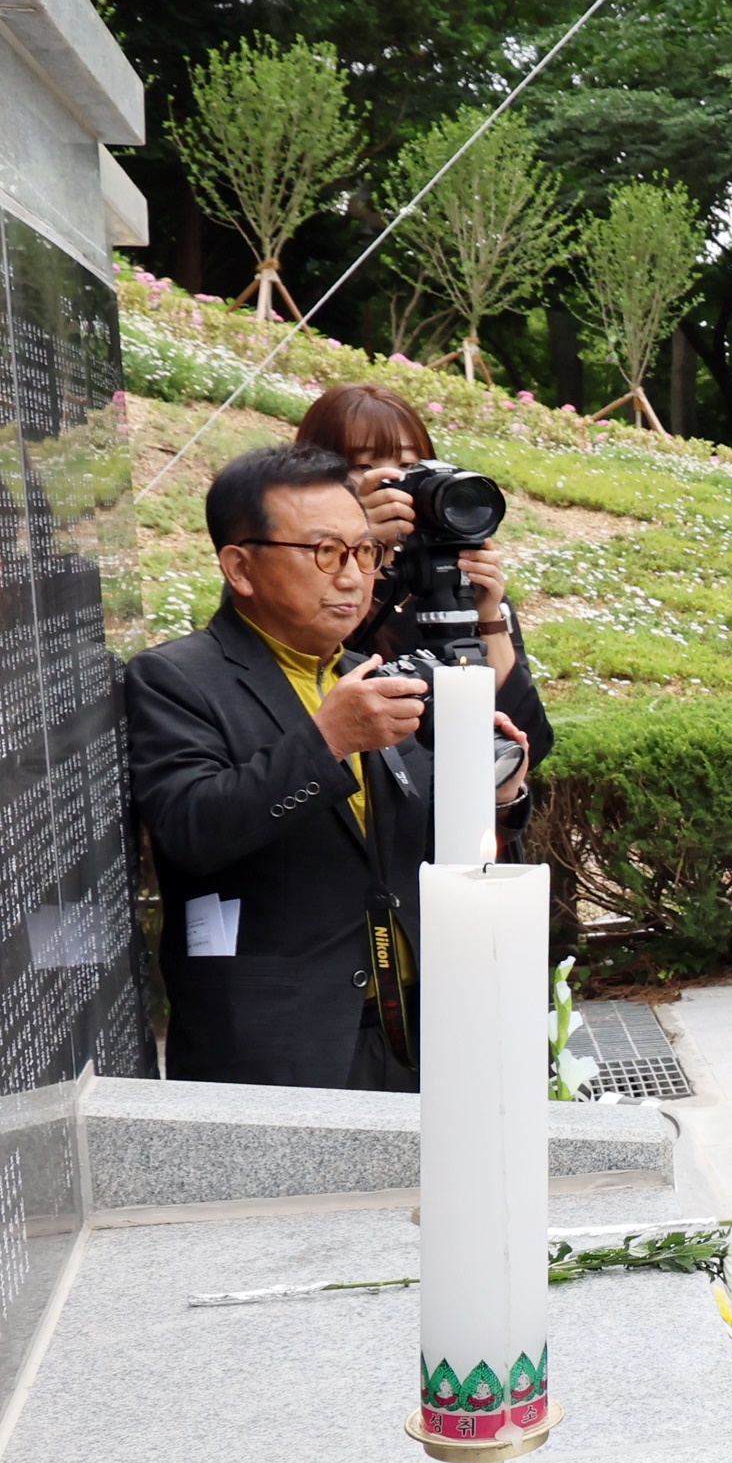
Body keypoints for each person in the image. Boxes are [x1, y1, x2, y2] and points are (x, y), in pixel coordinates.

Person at [124, 441, 531, 1090]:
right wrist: (327, 740)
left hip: (412, 1033)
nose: (351, 577)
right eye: (324, 553)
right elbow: (190, 830)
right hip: (279, 1048)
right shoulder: (176, 677)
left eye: (364, 552)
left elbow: (420, 836)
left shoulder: (358, 673)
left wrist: (502, 791)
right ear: (240, 567)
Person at [295, 384, 555, 779]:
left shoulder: (448, 577)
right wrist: (358, 545)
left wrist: (489, 617)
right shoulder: (298, 577)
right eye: (363, 466)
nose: (391, 483)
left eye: (409, 466)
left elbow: (526, 744)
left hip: (463, 823)